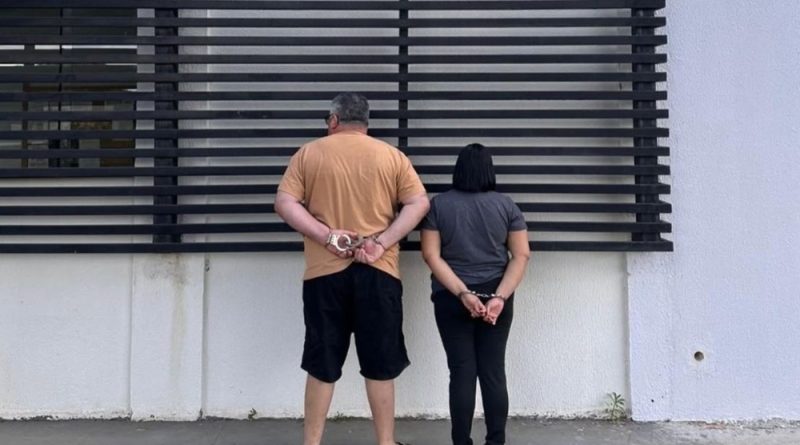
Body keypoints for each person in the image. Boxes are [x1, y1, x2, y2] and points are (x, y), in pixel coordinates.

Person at [275, 92, 429, 445]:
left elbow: (284, 202)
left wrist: (327, 236)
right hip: (379, 272)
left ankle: (311, 443)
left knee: (322, 363)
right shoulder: (392, 156)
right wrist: (382, 242)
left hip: (324, 274)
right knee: (380, 364)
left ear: (333, 120)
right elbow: (418, 203)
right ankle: (385, 442)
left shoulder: (308, 154)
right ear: (366, 123)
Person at [420, 143, 530, 445]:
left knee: (461, 372)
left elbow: (431, 255)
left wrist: (462, 294)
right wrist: (499, 298)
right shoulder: (506, 206)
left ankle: (461, 442)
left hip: (451, 298)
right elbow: (521, 255)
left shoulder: (439, 206)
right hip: (497, 295)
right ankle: (496, 441)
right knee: (493, 372)